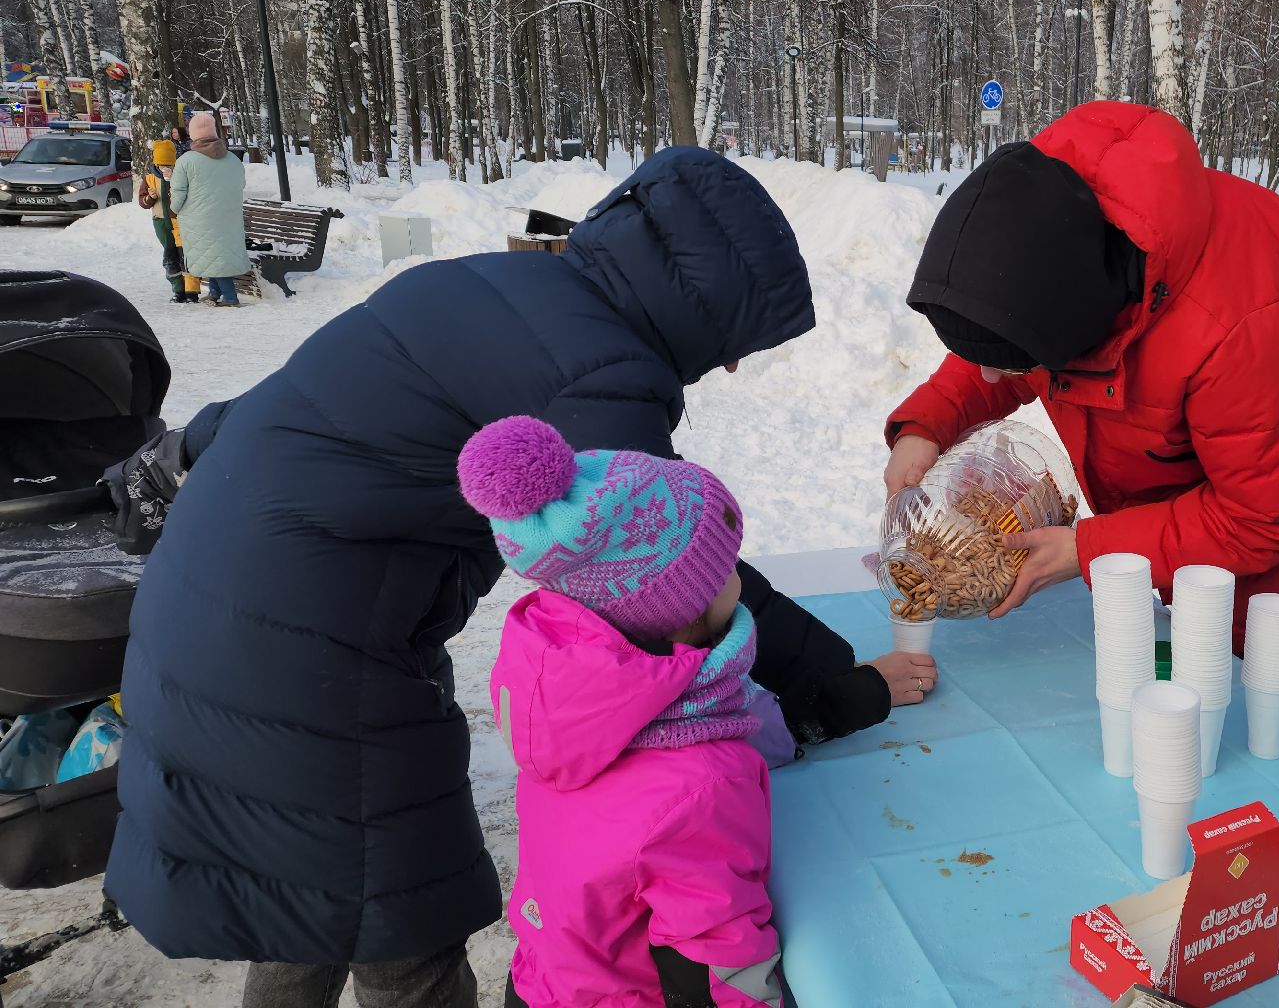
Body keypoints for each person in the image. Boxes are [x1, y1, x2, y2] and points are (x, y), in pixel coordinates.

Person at [106, 148, 914, 1008]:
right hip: (313, 661)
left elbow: (283, 402)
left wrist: (183, 447)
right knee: (400, 926)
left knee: (310, 879)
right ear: (702, 311)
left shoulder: (484, 284)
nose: (732, 367)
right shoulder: (601, 370)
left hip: (205, 608)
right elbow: (675, 567)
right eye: (736, 342)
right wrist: (841, 677)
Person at [883, 102, 1279, 745]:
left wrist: (1087, 549)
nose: (997, 377)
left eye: (1013, 360)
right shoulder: (1068, 240)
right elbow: (1005, 334)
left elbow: (1268, 515)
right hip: (1198, 585)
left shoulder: (1247, 317)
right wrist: (928, 423)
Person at [460, 418, 787, 1007]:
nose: (739, 578)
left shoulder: (560, 708)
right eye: (725, 567)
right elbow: (720, 963)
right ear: (682, 611)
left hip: (546, 982)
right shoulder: (703, 781)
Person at [169, 113, 248, 307]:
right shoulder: (232, 159)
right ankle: (214, 292)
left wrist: (174, 209)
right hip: (228, 216)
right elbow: (241, 184)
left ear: (194, 134)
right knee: (216, 253)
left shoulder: (186, 161)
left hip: (199, 218)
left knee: (210, 253)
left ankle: (229, 296)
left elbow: (178, 191)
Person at [136, 139, 198, 303]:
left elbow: (190, 196)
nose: (165, 168)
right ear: (156, 163)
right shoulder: (149, 179)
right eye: (162, 164)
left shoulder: (181, 176)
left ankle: (192, 291)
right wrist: (150, 197)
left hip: (180, 221)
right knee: (170, 257)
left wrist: (174, 183)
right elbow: (142, 202)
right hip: (161, 222)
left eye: (169, 164)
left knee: (186, 256)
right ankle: (178, 290)